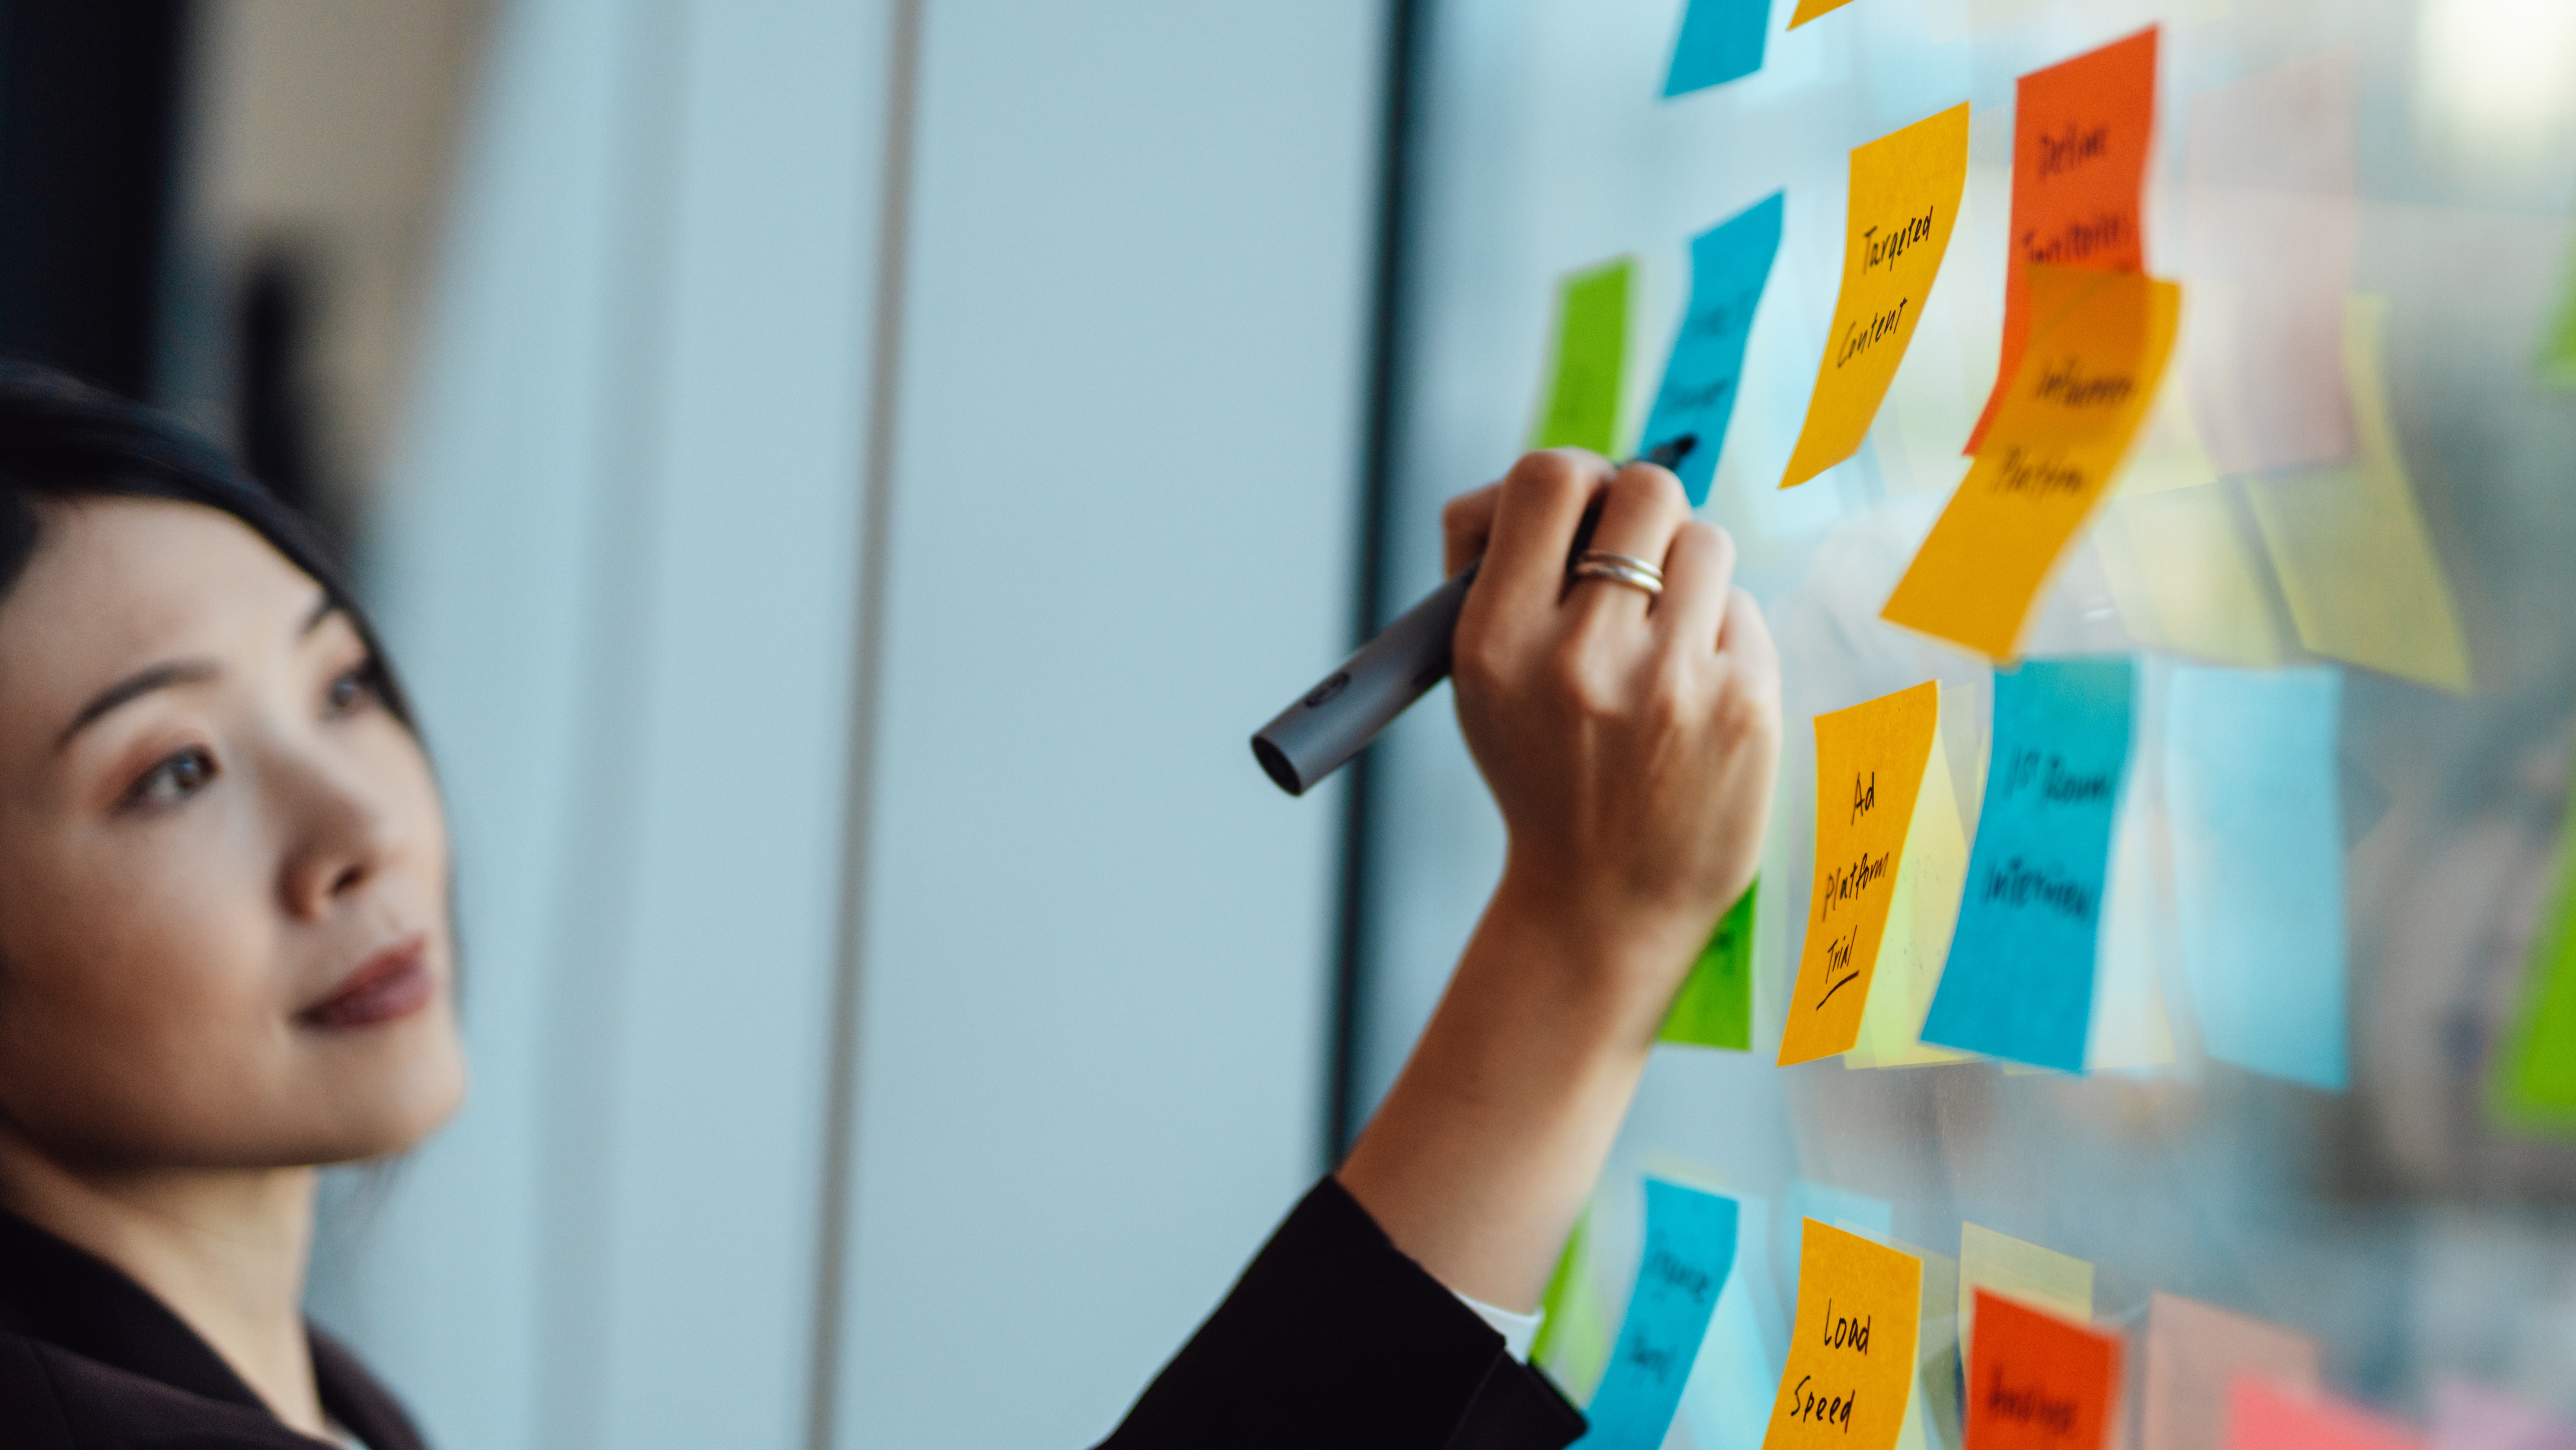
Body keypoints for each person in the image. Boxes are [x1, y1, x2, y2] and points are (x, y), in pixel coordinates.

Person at [0, 361, 1779, 1449]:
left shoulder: (307, 1396)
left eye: (340, 686)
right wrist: (1583, 942)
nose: (359, 830)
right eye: (172, 771)